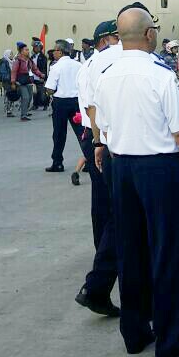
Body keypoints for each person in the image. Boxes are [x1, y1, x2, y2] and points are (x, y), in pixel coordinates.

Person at [93, 4, 179, 357]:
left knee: (132, 251)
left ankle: (134, 331)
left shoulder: (106, 74)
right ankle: (170, 337)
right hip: (159, 170)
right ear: (148, 34)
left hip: (122, 169)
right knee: (169, 252)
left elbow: (100, 121)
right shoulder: (160, 74)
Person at [74, 20, 121, 317]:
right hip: (116, 144)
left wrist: (96, 143)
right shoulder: (118, 60)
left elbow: (89, 108)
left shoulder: (88, 66)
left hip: (97, 142)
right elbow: (94, 110)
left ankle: (99, 281)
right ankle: (98, 283)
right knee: (122, 216)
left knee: (105, 211)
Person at [46, 39, 84, 173]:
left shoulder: (56, 67)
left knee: (59, 133)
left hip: (61, 102)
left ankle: (58, 162)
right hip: (76, 102)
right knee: (82, 133)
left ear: (60, 52)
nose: (53, 53)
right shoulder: (78, 65)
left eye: (55, 50)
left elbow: (50, 88)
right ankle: (89, 159)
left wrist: (52, 91)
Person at [11, 42, 43, 121]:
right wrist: (13, 82)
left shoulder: (29, 60)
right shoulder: (18, 61)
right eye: (26, 50)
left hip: (28, 81)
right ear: (21, 51)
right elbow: (14, 71)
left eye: (28, 50)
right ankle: (23, 115)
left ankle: (25, 111)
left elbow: (35, 69)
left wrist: (41, 75)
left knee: (29, 98)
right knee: (25, 97)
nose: (28, 51)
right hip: (20, 82)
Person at [30, 40, 49, 111]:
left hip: (40, 76)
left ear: (40, 48)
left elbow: (44, 68)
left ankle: (45, 104)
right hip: (33, 77)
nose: (36, 48)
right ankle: (35, 105)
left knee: (42, 92)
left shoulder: (43, 57)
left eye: (37, 47)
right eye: (35, 47)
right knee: (35, 92)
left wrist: (43, 77)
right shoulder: (32, 56)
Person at [0, 49, 14, 117]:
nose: (12, 55)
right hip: (7, 82)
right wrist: (11, 79)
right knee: (9, 95)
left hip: (11, 81)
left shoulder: (11, 61)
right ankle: (8, 111)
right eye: (11, 54)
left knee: (11, 95)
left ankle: (10, 110)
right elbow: (4, 74)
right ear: (7, 54)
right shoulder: (4, 62)